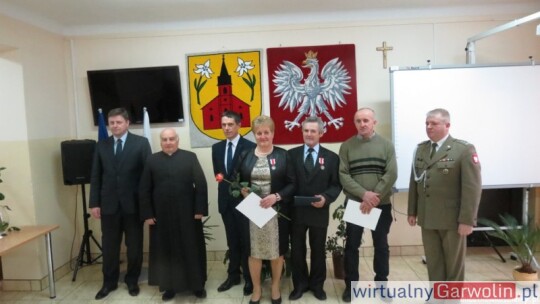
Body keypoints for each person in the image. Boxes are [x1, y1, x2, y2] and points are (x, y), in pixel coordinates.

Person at [407, 108, 481, 281]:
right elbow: (415, 181)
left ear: (447, 125)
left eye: (434, 123)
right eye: (427, 123)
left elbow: (472, 188)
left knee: (453, 264)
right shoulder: (421, 149)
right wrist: (412, 211)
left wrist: (467, 220)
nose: (429, 127)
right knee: (434, 262)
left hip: (452, 219)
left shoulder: (463, 149)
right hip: (427, 217)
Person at [89, 107, 152, 300]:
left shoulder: (141, 143)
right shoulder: (102, 145)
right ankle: (109, 282)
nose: (114, 126)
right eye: (111, 122)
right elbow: (96, 176)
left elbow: (147, 176)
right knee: (109, 247)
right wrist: (94, 203)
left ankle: (132, 281)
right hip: (108, 206)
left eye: (118, 122)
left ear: (127, 123)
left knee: (134, 247)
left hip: (133, 206)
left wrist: (147, 205)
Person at [139, 128, 208, 301]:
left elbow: (201, 184)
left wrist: (199, 210)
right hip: (161, 217)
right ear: (161, 142)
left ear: (177, 140)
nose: (168, 142)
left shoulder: (189, 157)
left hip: (188, 215)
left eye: (171, 139)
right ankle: (169, 287)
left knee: (191, 249)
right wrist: (148, 214)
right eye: (164, 139)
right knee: (165, 252)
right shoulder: (152, 160)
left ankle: (197, 285)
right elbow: (144, 189)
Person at [338, 108, 397, 303]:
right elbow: (343, 176)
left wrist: (373, 198)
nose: (362, 124)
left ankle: (382, 285)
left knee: (381, 246)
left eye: (366, 120)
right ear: (354, 123)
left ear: (374, 122)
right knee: (351, 246)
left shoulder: (387, 145)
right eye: (358, 121)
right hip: (356, 204)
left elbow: (391, 174)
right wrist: (364, 195)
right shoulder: (346, 146)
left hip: (381, 204)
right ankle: (351, 287)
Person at [236, 115, 295, 304]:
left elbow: (293, 184)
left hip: (275, 213)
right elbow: (234, 178)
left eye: (266, 133)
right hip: (252, 213)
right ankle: (257, 288)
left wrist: (276, 196)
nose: (263, 136)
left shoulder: (283, 155)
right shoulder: (245, 155)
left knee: (276, 252)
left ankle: (276, 287)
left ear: (273, 133)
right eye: (259, 133)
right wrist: (242, 190)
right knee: (254, 252)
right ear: (254, 134)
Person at [287, 116, 342, 301]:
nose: (309, 134)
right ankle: (300, 285)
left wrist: (326, 198)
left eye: (313, 131)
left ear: (321, 133)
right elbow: (287, 182)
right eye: (306, 130)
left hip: (319, 210)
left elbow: (336, 185)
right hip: (296, 212)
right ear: (302, 132)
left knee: (318, 250)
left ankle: (318, 285)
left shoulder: (332, 158)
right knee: (297, 250)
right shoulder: (291, 155)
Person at [212, 111, 256, 295]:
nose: (227, 128)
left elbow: (253, 176)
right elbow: (220, 176)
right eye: (224, 125)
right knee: (232, 242)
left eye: (230, 124)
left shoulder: (250, 146)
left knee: (246, 242)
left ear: (239, 125)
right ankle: (233, 276)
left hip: (244, 202)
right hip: (226, 203)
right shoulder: (217, 148)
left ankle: (249, 278)